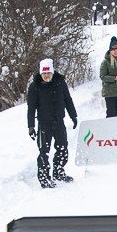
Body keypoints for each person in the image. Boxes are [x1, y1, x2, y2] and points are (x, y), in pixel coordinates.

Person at [25, 57, 79, 188]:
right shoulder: (34, 87)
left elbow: (67, 99)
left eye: (48, 73)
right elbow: (31, 108)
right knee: (44, 151)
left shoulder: (60, 83)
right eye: (43, 73)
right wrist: (31, 127)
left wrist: (74, 116)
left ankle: (58, 172)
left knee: (62, 148)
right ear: (40, 73)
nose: (46, 76)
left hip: (59, 122)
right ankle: (44, 178)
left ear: (52, 72)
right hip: (44, 124)